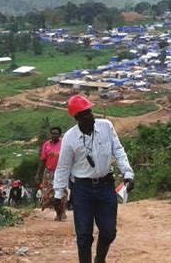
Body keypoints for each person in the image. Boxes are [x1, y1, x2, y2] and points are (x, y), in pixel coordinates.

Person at [53, 95, 134, 263]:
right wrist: (58, 192)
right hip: (82, 189)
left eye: (90, 111)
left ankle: (100, 258)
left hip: (105, 185)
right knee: (83, 235)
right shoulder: (70, 138)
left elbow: (118, 151)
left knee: (109, 232)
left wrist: (127, 174)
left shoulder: (106, 127)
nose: (90, 116)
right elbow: (63, 167)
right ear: (77, 118)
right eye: (85, 113)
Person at [36, 126, 67, 221]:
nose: (54, 135)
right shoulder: (46, 145)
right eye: (52, 133)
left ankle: (61, 213)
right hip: (49, 172)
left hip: (61, 172)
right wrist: (38, 174)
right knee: (49, 194)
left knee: (61, 193)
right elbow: (43, 160)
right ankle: (58, 211)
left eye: (56, 134)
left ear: (60, 135)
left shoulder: (64, 144)